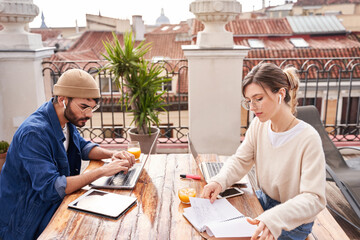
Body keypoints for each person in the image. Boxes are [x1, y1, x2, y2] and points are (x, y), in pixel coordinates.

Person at [0, 69, 135, 240]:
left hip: (54, 207)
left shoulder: (66, 119)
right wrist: (102, 171)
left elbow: (82, 146)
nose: (89, 114)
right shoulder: (33, 134)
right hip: (25, 223)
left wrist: (113, 155)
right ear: (63, 99)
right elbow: (51, 188)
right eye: (84, 107)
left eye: (93, 108)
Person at [201, 63, 326, 240]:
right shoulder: (259, 126)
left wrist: (273, 218)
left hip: (293, 220)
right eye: (248, 101)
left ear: (281, 94)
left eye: (258, 99)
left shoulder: (308, 138)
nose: (252, 107)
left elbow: (314, 199)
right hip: (264, 201)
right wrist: (219, 181)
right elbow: (240, 160)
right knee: (212, 229)